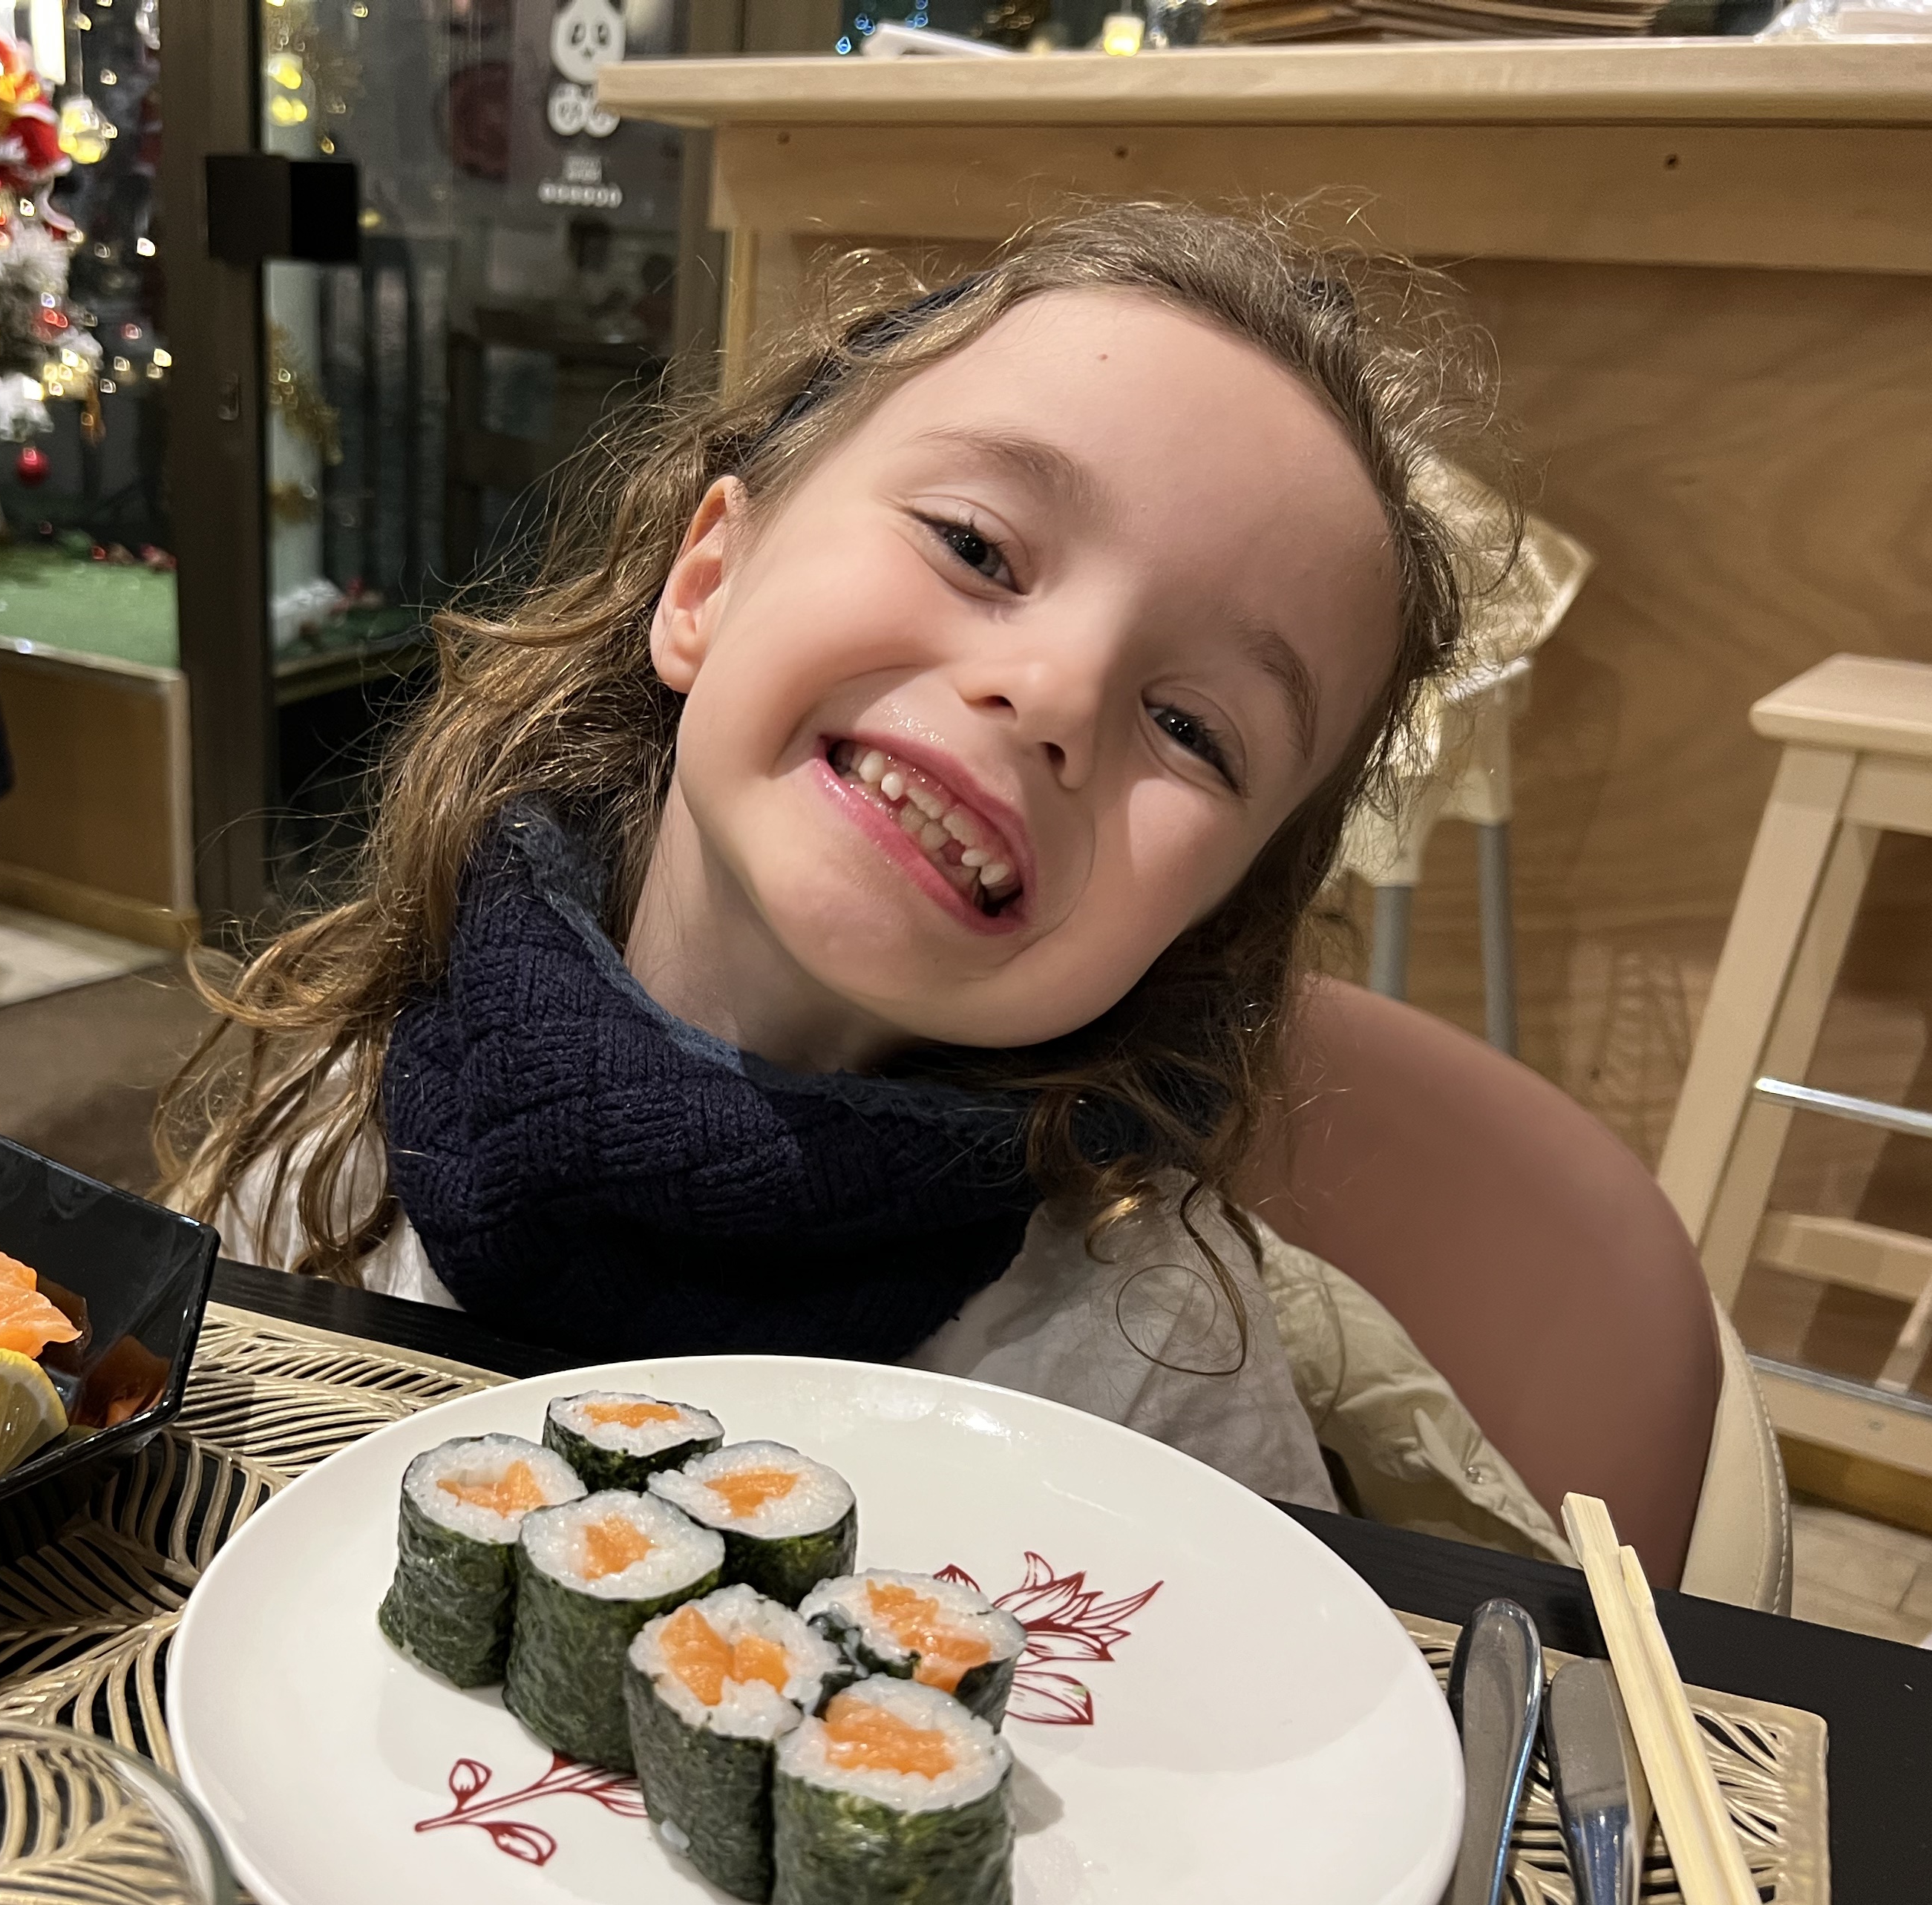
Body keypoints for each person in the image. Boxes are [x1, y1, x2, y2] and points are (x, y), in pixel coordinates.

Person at [157, 202, 1495, 1507]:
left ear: (1208, 918)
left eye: (1194, 729)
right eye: (975, 546)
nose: (1057, 693)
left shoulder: (1152, 1348)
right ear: (705, 583)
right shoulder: (340, 1120)